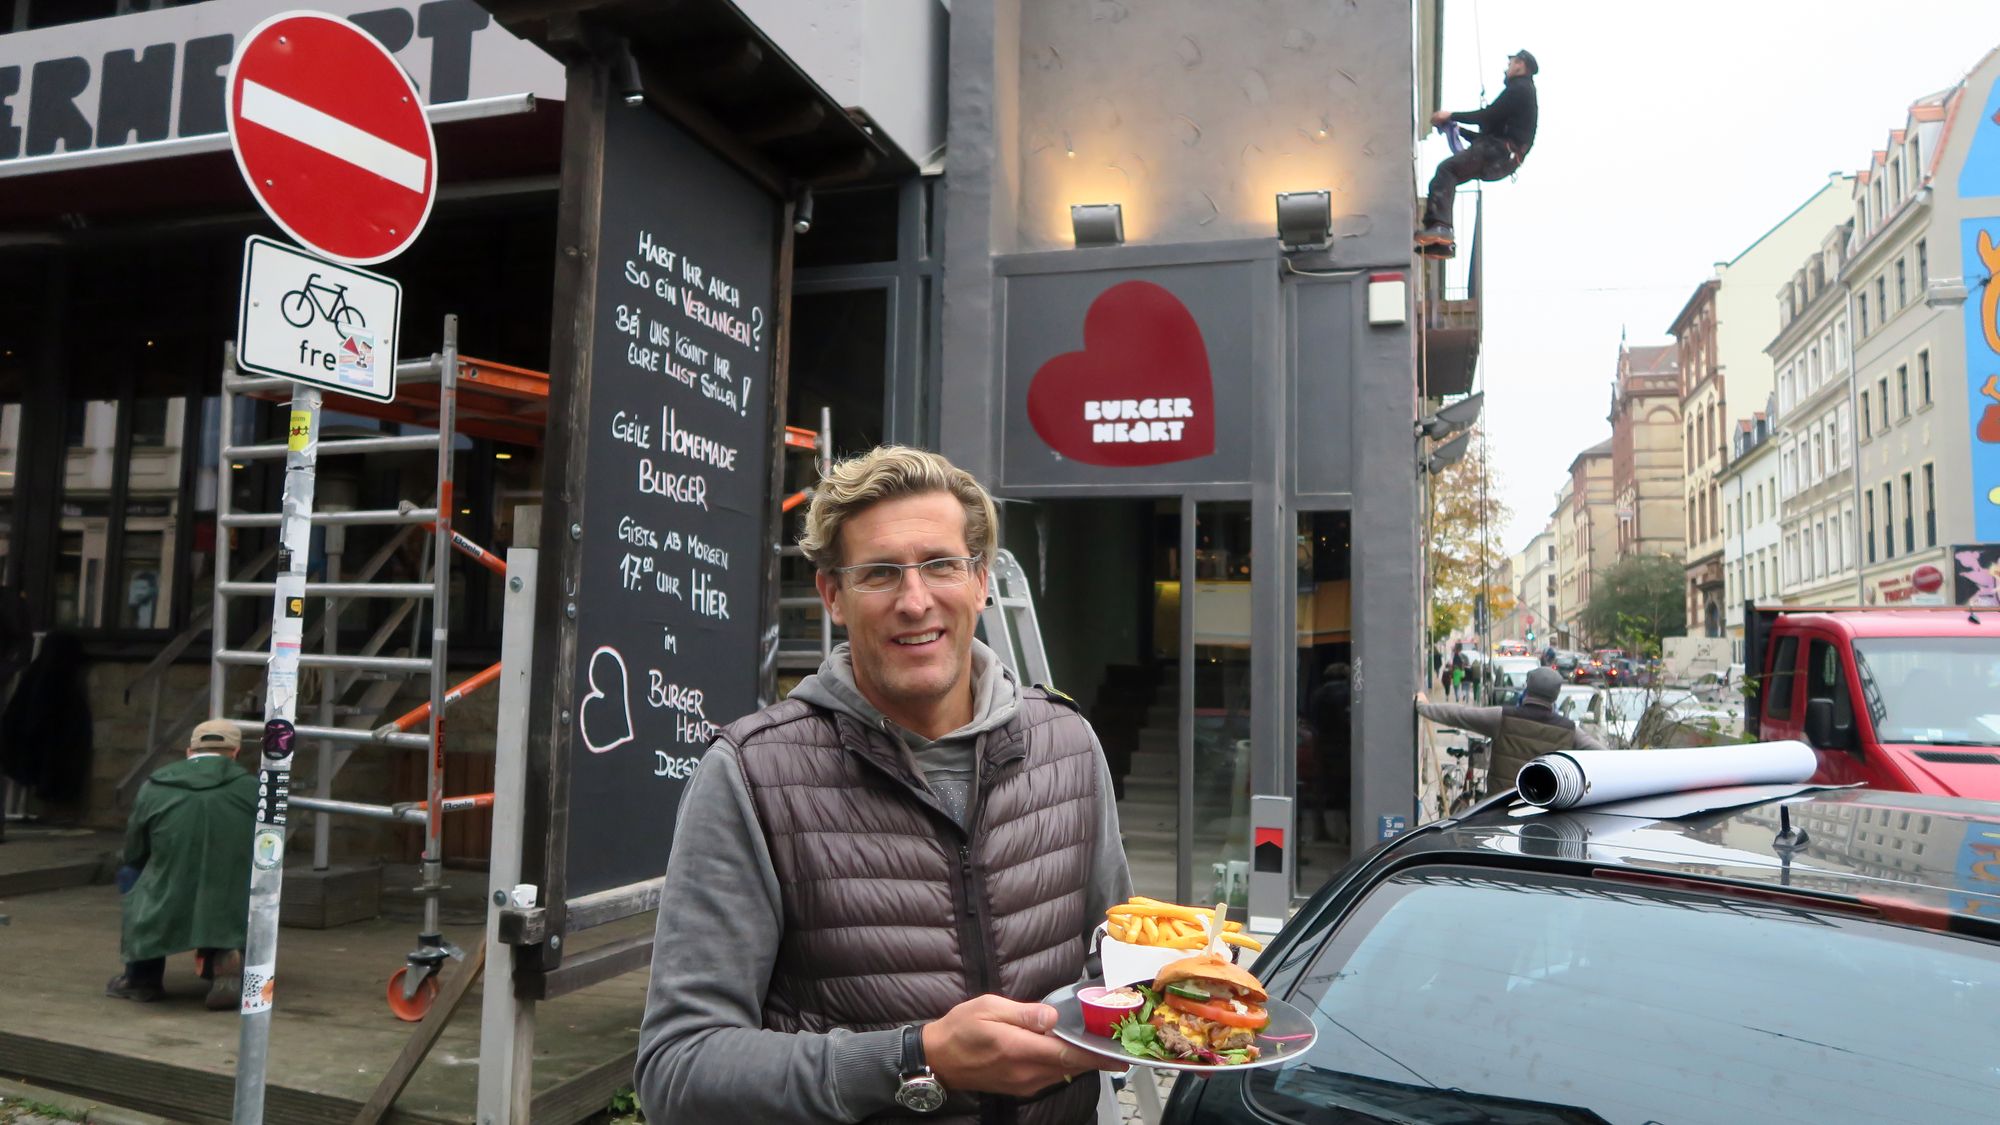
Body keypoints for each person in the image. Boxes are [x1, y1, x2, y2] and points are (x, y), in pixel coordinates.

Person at [635, 446, 1132, 1124]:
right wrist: (915, 1057)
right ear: (833, 595)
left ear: (980, 580)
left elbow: (1116, 972)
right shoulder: (751, 775)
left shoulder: (1067, 746)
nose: (915, 599)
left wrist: (1182, 998)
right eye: (879, 573)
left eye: (940, 564)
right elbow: (678, 1069)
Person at [106, 719, 257, 1007]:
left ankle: (141, 978)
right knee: (244, 877)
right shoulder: (253, 788)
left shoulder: (154, 785)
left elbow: (135, 850)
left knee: (130, 872)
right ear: (235, 752)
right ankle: (224, 952)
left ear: (190, 752)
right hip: (230, 888)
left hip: (167, 888)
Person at [1418, 49, 1539, 251]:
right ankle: (1440, 242)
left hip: (1499, 152)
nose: (1506, 68)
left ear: (1520, 65)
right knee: (1449, 176)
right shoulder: (1522, 94)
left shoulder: (1520, 88)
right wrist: (1458, 129)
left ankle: (1440, 228)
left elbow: (1487, 116)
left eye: (1511, 63)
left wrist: (1451, 116)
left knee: (1447, 171)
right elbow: (1487, 131)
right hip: (1503, 157)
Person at [1415, 666, 1603, 793]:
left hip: (1502, 808)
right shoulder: (1570, 731)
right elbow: (1603, 754)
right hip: (1545, 810)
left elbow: (1459, 715)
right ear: (1555, 696)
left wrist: (1423, 707)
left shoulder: (1502, 717)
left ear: (1527, 688)